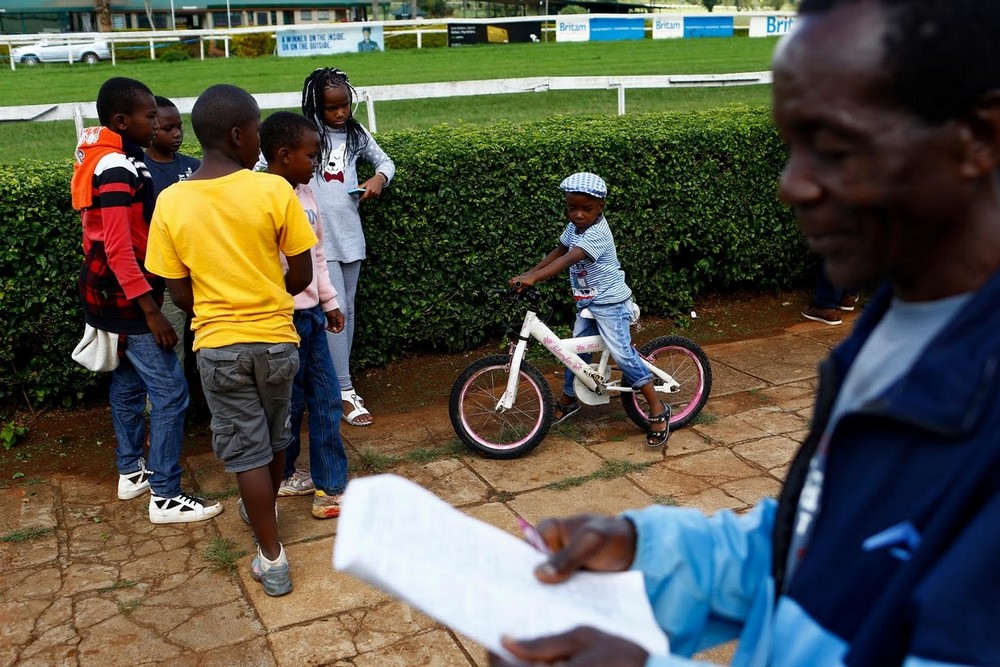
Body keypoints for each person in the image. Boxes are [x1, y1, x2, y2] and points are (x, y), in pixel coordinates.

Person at [491, 0, 1000, 665]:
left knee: (623, 356)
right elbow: (814, 545)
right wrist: (646, 548)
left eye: (836, 147)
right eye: (792, 147)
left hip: (612, 306)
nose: (792, 186)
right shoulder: (895, 329)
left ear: (980, 138)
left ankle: (646, 398)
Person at [145, 85, 318, 597]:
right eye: (259, 130)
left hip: (219, 346)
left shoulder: (172, 200)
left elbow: (178, 291)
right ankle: (262, 510)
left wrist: (216, 305)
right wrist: (266, 290)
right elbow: (301, 274)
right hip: (277, 340)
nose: (262, 140)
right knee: (275, 437)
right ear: (239, 135)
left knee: (245, 450)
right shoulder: (272, 191)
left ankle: (273, 558)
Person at [70, 76, 220, 525]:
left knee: (130, 382)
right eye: (150, 117)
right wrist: (151, 311)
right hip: (127, 300)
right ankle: (166, 494)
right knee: (171, 392)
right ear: (122, 120)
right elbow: (118, 248)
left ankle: (130, 470)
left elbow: (95, 237)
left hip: (108, 293)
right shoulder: (115, 167)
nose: (157, 125)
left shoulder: (108, 159)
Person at [509, 172, 669, 448]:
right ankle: (570, 399)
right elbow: (560, 250)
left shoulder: (598, 234)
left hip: (610, 302)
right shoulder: (575, 228)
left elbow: (570, 258)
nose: (579, 215)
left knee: (621, 351)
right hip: (587, 302)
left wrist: (534, 278)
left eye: (587, 209)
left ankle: (656, 407)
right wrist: (529, 273)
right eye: (573, 208)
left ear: (600, 208)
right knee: (573, 353)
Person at [260, 111, 350, 519]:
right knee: (288, 407)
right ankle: (286, 475)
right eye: (311, 156)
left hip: (312, 316)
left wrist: (329, 302)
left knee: (327, 399)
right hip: (280, 321)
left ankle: (329, 489)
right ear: (283, 155)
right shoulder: (262, 197)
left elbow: (316, 253)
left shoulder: (306, 192)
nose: (317, 164)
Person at [302, 67, 396, 427]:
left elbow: (386, 161)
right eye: (331, 108)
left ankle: (336, 385)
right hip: (315, 241)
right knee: (334, 311)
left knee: (347, 312)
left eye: (345, 106)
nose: (340, 114)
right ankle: (342, 390)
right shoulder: (305, 134)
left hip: (350, 236)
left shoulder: (356, 134)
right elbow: (263, 163)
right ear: (315, 106)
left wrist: (378, 179)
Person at [144, 95, 200, 367]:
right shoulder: (141, 170)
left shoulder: (195, 166)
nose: (177, 134)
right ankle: (166, 410)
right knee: (172, 355)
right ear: (152, 129)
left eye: (179, 126)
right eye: (168, 129)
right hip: (166, 280)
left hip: (202, 274)